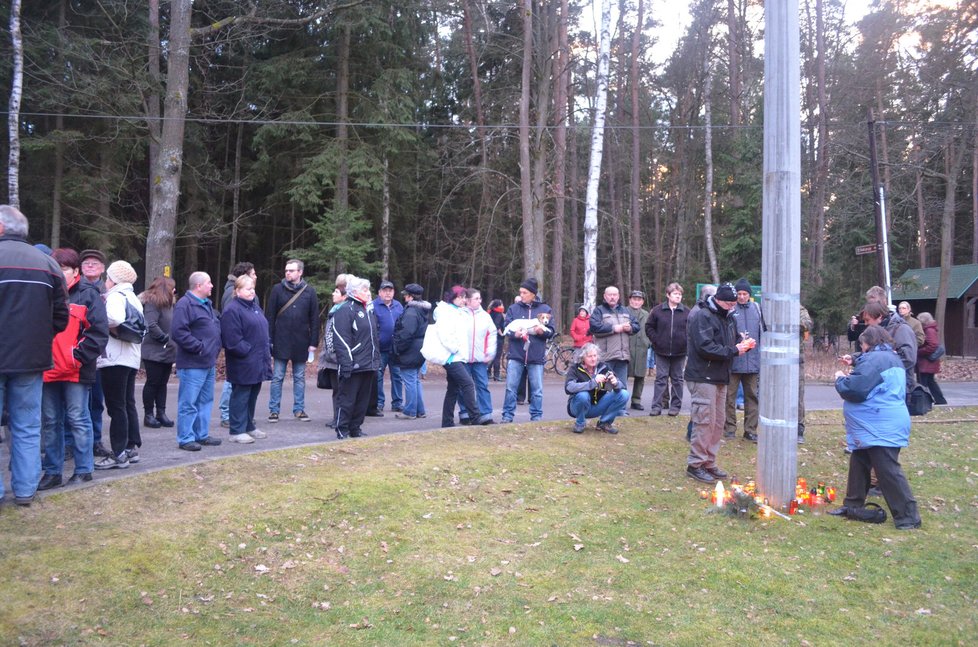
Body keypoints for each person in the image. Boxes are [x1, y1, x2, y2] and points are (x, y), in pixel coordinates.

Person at [0, 206, 69, 506]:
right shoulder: (48, 264)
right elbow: (61, 318)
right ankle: (26, 490)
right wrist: (38, 338)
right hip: (32, 359)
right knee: (28, 426)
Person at [829, 325, 922, 529]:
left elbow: (855, 389)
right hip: (876, 422)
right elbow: (870, 371)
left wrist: (840, 379)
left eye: (862, 345)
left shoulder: (876, 360)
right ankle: (853, 505)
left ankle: (908, 517)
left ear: (869, 343)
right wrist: (854, 360)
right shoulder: (888, 356)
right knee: (859, 462)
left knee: (887, 470)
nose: (861, 349)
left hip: (881, 425)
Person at [38, 248, 109, 490]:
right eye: (55, 268)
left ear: (75, 271)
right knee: (50, 422)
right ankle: (52, 471)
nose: (59, 273)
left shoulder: (88, 294)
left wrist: (75, 358)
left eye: (65, 269)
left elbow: (98, 334)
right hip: (47, 369)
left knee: (78, 419)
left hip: (75, 371)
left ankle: (83, 469)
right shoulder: (44, 293)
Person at [684, 283, 754, 484]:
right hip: (703, 375)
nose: (733, 306)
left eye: (734, 303)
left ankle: (709, 461)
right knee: (704, 421)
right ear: (719, 300)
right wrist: (734, 350)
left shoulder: (728, 317)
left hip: (721, 375)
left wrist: (743, 345)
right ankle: (695, 464)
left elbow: (727, 344)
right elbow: (705, 346)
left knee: (717, 422)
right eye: (730, 303)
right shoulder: (702, 316)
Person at [94, 260, 144, 469]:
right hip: (130, 358)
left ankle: (118, 453)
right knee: (127, 403)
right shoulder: (132, 296)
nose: (106, 280)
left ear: (113, 279)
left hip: (115, 358)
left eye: (108, 277)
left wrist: (97, 319)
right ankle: (131, 447)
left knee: (116, 407)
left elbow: (114, 318)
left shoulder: (115, 296)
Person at [170, 272, 223, 451]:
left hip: (208, 362)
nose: (212, 286)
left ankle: (201, 434)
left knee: (205, 400)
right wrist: (199, 347)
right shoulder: (185, 305)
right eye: (209, 283)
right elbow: (178, 332)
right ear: (199, 286)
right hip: (193, 363)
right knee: (189, 402)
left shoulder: (206, 304)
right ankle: (185, 438)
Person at [327, 276, 381, 439]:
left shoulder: (367, 310)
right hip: (353, 364)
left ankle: (355, 428)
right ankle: (342, 429)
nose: (368, 293)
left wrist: (376, 360)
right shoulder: (345, 310)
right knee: (347, 400)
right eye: (364, 290)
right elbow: (342, 340)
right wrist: (347, 364)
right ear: (355, 291)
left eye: (368, 289)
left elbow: (373, 338)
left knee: (362, 401)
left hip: (368, 364)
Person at [266, 259, 319, 423]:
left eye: (291, 270)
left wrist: (313, 342)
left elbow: (314, 319)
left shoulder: (309, 291)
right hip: (281, 339)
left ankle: (299, 409)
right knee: (277, 377)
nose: (287, 273)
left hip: (301, 341)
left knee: (299, 377)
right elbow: (270, 316)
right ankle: (274, 410)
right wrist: (269, 339)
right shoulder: (277, 290)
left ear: (300, 272)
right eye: (286, 270)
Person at [428, 287, 490, 428]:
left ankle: (447, 422)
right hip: (451, 357)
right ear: (452, 297)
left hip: (457, 357)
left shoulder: (456, 311)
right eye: (461, 297)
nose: (463, 300)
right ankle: (475, 417)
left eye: (464, 297)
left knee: (453, 390)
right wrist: (455, 349)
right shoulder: (446, 312)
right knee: (468, 384)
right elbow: (445, 335)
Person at [221, 275, 272, 445]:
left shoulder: (255, 308)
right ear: (237, 291)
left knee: (252, 396)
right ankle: (236, 430)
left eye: (253, 289)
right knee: (240, 396)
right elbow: (232, 339)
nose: (252, 292)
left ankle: (249, 425)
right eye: (248, 289)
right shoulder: (232, 310)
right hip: (243, 362)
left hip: (258, 360)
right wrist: (247, 352)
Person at [501, 278, 555, 423]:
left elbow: (551, 331)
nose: (521, 295)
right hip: (516, 355)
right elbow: (506, 329)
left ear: (533, 294)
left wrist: (541, 332)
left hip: (536, 356)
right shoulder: (514, 309)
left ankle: (536, 417)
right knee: (511, 388)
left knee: (537, 390)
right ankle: (507, 416)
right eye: (521, 292)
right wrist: (515, 334)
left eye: (524, 292)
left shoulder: (545, 310)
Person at [724, 278, 766, 442]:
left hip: (753, 362)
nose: (742, 297)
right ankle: (729, 429)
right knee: (729, 397)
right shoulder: (730, 310)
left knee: (752, 397)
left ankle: (750, 430)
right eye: (739, 293)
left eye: (745, 294)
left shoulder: (757, 309)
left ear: (749, 295)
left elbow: (763, 333)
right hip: (733, 361)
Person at [79, 248, 111, 458]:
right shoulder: (73, 288)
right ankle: (72, 443)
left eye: (94, 263)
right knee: (73, 403)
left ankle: (96, 440)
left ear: (102, 268)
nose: (90, 266)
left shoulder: (108, 292)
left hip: (99, 354)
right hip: (75, 353)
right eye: (86, 263)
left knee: (96, 402)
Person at [218, 262, 258, 428]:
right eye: (253, 274)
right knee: (233, 386)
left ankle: (243, 421)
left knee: (244, 389)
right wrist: (245, 349)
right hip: (242, 356)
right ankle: (228, 416)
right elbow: (231, 327)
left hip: (251, 354)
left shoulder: (251, 301)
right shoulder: (232, 296)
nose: (256, 276)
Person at [564, 343, 629, 434]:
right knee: (583, 395)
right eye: (590, 356)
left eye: (595, 355)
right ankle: (580, 423)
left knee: (624, 394)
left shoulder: (604, 367)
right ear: (583, 357)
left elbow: (620, 385)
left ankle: (604, 423)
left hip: (597, 405)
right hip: (577, 407)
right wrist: (593, 383)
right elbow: (569, 388)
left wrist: (615, 383)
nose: (593, 359)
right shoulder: (575, 368)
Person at [645, 282, 688, 417]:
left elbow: (692, 330)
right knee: (660, 379)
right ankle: (656, 406)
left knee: (677, 379)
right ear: (668, 295)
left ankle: (675, 407)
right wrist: (656, 340)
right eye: (675, 294)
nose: (678, 296)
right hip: (661, 351)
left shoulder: (687, 312)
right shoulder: (657, 311)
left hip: (680, 352)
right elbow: (649, 327)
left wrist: (685, 342)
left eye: (680, 294)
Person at [139, 276, 177, 429]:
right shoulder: (153, 302)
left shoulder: (169, 304)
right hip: (154, 350)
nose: (175, 290)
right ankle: (149, 414)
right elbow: (151, 324)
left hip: (167, 350)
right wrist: (164, 338)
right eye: (172, 287)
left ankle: (161, 413)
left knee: (162, 383)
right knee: (153, 382)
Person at [458, 288, 497, 423]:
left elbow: (492, 333)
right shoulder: (459, 314)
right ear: (468, 300)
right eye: (476, 298)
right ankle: (465, 413)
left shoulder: (485, 316)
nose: (480, 301)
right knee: (464, 386)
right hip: (463, 358)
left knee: (482, 385)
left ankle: (485, 414)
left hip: (480, 358)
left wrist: (490, 352)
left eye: (480, 298)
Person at [392, 283, 430, 420]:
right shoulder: (421, 310)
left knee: (409, 380)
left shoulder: (411, 312)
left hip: (410, 349)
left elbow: (406, 333)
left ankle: (410, 411)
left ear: (410, 296)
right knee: (415, 380)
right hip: (419, 348)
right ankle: (420, 410)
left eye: (406, 295)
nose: (404, 298)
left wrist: (398, 348)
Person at [589, 286, 638, 387]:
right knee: (604, 388)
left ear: (618, 296)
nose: (612, 297)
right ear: (605, 296)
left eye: (614, 295)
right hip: (605, 357)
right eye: (609, 295)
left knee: (621, 388)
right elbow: (594, 327)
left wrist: (630, 328)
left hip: (622, 356)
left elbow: (636, 325)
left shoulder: (626, 311)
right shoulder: (599, 311)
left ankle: (621, 404)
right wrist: (614, 328)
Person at [318, 278, 349, 428]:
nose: (333, 294)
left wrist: (334, 355)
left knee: (341, 391)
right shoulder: (334, 310)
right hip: (331, 360)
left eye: (336, 292)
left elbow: (336, 337)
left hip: (337, 359)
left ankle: (341, 419)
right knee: (336, 391)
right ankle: (337, 417)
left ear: (344, 296)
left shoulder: (342, 312)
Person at [373, 280, 404, 413]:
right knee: (378, 375)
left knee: (397, 375)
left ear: (393, 292)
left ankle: (397, 402)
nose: (387, 293)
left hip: (396, 348)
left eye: (390, 290)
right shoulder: (373, 305)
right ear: (379, 292)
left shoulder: (398, 306)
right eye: (385, 290)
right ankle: (379, 402)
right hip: (380, 348)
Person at [626, 291, 651, 412]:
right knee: (622, 375)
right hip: (626, 348)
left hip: (642, 348)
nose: (636, 302)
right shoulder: (624, 312)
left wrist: (648, 342)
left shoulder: (646, 314)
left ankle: (636, 400)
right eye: (634, 299)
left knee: (640, 377)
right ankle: (620, 400)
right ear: (630, 300)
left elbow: (651, 329)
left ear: (642, 301)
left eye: (639, 299)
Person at [915, 312, 947, 405]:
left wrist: (919, 351)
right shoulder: (930, 329)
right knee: (930, 381)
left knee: (923, 382)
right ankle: (940, 400)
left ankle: (923, 402)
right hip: (929, 361)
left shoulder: (929, 330)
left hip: (927, 361)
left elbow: (932, 345)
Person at [797, 304, 814, 443]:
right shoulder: (775, 307)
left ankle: (799, 429)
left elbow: (807, 324)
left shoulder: (800, 310)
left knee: (798, 394)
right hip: (778, 360)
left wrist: (791, 319)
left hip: (796, 359)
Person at [487, 299, 506, 381]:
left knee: (492, 355)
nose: (503, 306)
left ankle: (488, 372)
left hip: (490, 337)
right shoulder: (498, 314)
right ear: (498, 306)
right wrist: (501, 333)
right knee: (497, 356)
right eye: (501, 305)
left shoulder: (490, 312)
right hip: (498, 338)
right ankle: (496, 374)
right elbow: (497, 325)